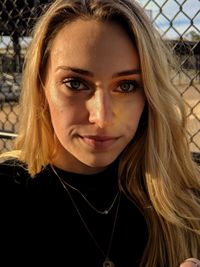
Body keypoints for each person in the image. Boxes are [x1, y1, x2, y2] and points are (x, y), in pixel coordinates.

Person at [0, 0, 199, 266]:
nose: (102, 117)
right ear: (41, 88)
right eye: (75, 83)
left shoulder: (186, 198)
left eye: (127, 86)